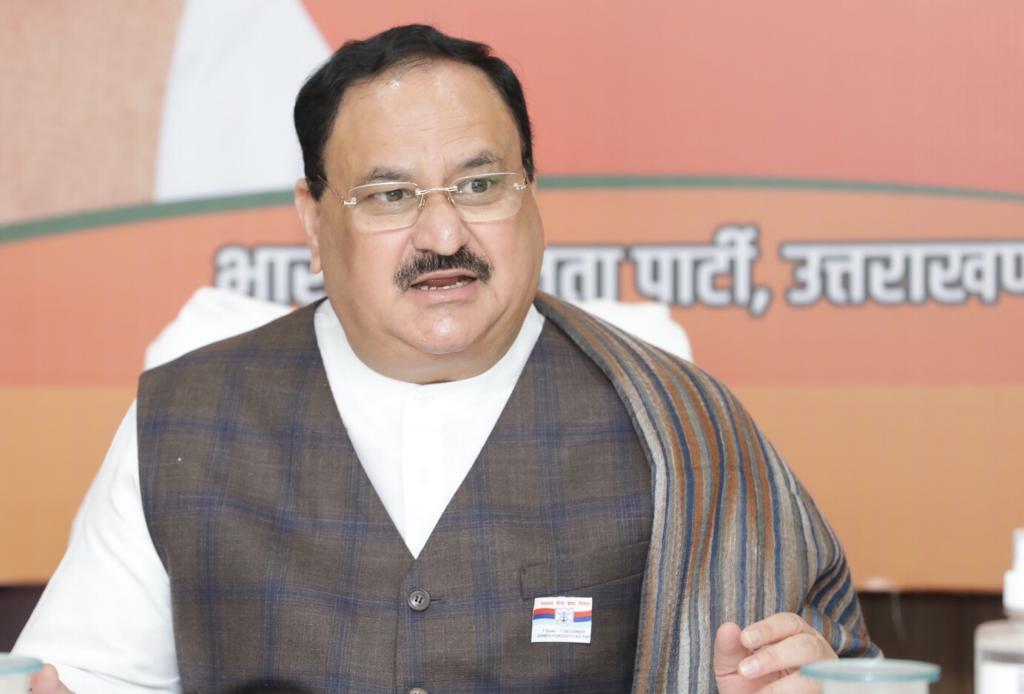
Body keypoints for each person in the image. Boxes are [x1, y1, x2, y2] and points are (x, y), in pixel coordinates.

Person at [17, 24, 877, 694]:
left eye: (478, 185)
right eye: (390, 195)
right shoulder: (188, 422)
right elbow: (83, 679)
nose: (443, 235)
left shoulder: (680, 427)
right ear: (314, 221)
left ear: (533, 196)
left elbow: (831, 666)